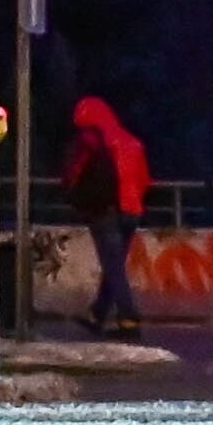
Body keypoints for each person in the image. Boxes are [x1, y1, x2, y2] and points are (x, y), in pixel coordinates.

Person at [61, 94, 152, 337]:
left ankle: (129, 319)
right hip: (132, 211)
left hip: (105, 210)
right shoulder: (132, 142)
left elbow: (74, 173)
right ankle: (97, 314)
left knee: (113, 267)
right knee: (115, 266)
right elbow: (145, 180)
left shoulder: (92, 141)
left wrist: (74, 195)